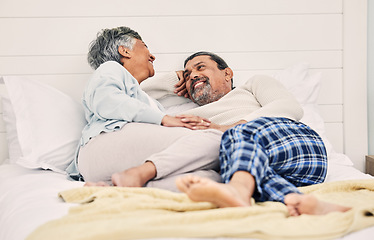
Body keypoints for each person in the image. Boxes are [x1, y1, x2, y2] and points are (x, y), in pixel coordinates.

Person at [168, 51, 351, 216]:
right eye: (187, 76)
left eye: (200, 67)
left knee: (236, 135)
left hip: (301, 147)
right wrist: (170, 79)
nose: (193, 75)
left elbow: (289, 107)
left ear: (227, 73)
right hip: (268, 169)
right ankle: (297, 200)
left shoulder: (251, 86)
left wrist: (227, 127)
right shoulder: (190, 117)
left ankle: (237, 190)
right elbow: (140, 99)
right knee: (242, 167)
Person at [66, 27, 224, 191]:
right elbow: (107, 101)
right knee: (217, 141)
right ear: (125, 51)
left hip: (113, 163)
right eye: (144, 46)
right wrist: (164, 119)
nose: (152, 56)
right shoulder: (110, 68)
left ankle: (117, 187)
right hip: (103, 144)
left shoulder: (147, 100)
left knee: (211, 178)